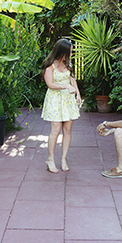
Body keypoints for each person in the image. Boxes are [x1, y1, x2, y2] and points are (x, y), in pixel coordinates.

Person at [41, 38, 82, 173]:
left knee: (68, 130)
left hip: (68, 101)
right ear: (61, 52)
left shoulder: (68, 64)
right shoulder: (50, 65)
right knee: (55, 130)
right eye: (69, 52)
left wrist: (78, 94)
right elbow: (50, 84)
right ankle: (50, 159)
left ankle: (64, 158)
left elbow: (72, 79)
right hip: (55, 100)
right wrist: (65, 86)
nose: (71, 54)